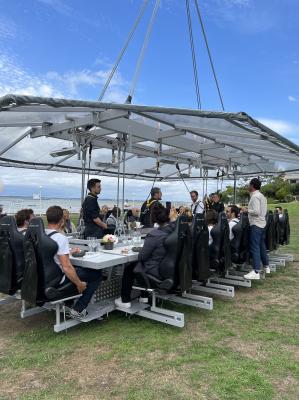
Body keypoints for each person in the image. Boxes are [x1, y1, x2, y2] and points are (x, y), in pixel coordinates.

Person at [45, 206, 102, 319]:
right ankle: (78, 309)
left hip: (45, 276)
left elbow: (51, 254)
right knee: (96, 274)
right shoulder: (60, 238)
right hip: (58, 278)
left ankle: (69, 303)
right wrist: (79, 284)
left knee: (81, 271)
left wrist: (68, 252)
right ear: (62, 220)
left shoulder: (42, 234)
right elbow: (67, 268)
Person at [115, 204, 176, 308]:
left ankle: (125, 300)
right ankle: (144, 297)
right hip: (168, 268)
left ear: (154, 219)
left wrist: (141, 250)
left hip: (155, 270)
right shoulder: (174, 231)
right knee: (139, 265)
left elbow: (142, 257)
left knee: (130, 268)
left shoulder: (154, 235)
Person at [244, 178, 270, 280]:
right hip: (262, 223)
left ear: (252, 186)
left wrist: (246, 210)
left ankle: (256, 271)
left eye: (249, 184)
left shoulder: (255, 197)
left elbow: (256, 211)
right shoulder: (262, 196)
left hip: (256, 224)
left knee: (254, 247)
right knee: (261, 246)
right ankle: (266, 266)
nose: (248, 186)